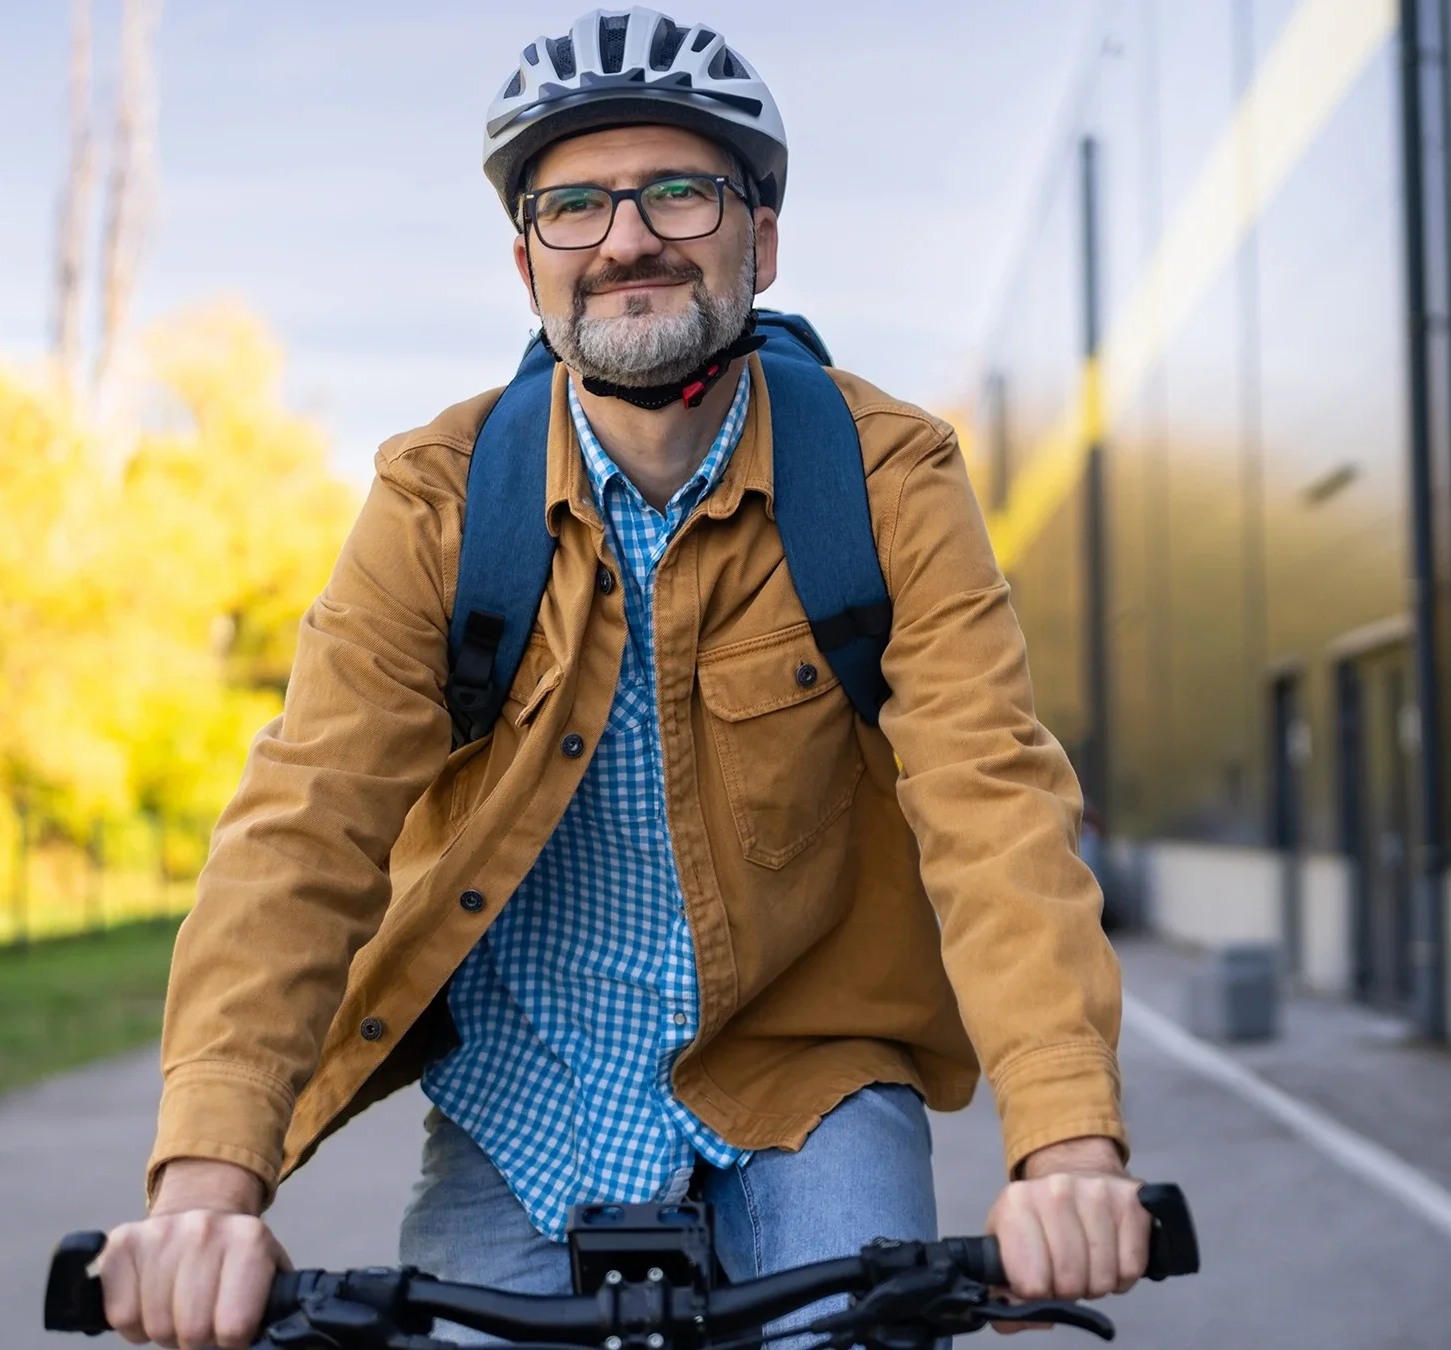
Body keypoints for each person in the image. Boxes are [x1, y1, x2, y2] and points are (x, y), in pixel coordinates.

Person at [89, 10, 1141, 1348]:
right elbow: (305, 821)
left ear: (760, 237)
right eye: (574, 204)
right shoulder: (438, 498)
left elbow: (992, 801)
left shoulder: (888, 477)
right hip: (529, 1095)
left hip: (807, 1066)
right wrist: (202, 1190)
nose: (626, 237)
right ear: (528, 260)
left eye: (678, 192)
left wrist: (1067, 1153)